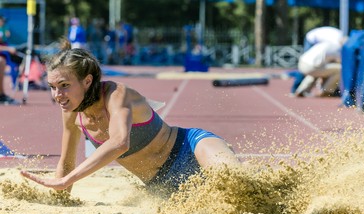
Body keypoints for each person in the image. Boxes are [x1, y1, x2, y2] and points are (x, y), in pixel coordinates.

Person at [21, 39, 240, 195]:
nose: (58, 95)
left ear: (87, 81)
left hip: (191, 148)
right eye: (52, 87)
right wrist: (60, 194)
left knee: (237, 184)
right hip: (161, 185)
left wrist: (69, 179)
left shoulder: (116, 94)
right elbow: (66, 162)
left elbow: (119, 142)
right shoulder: (70, 113)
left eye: (65, 86)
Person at [291, 26, 343, 96]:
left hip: (303, 61)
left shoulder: (328, 42)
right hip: (310, 65)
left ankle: (300, 89)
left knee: (317, 70)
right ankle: (326, 91)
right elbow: (339, 61)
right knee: (339, 69)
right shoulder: (337, 47)